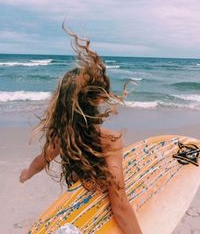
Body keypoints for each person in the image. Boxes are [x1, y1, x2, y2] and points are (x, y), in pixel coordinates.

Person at [19, 29, 142, 234]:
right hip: (103, 209)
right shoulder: (109, 140)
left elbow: (42, 159)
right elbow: (119, 203)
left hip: (80, 205)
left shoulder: (65, 136)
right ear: (97, 99)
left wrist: (27, 173)